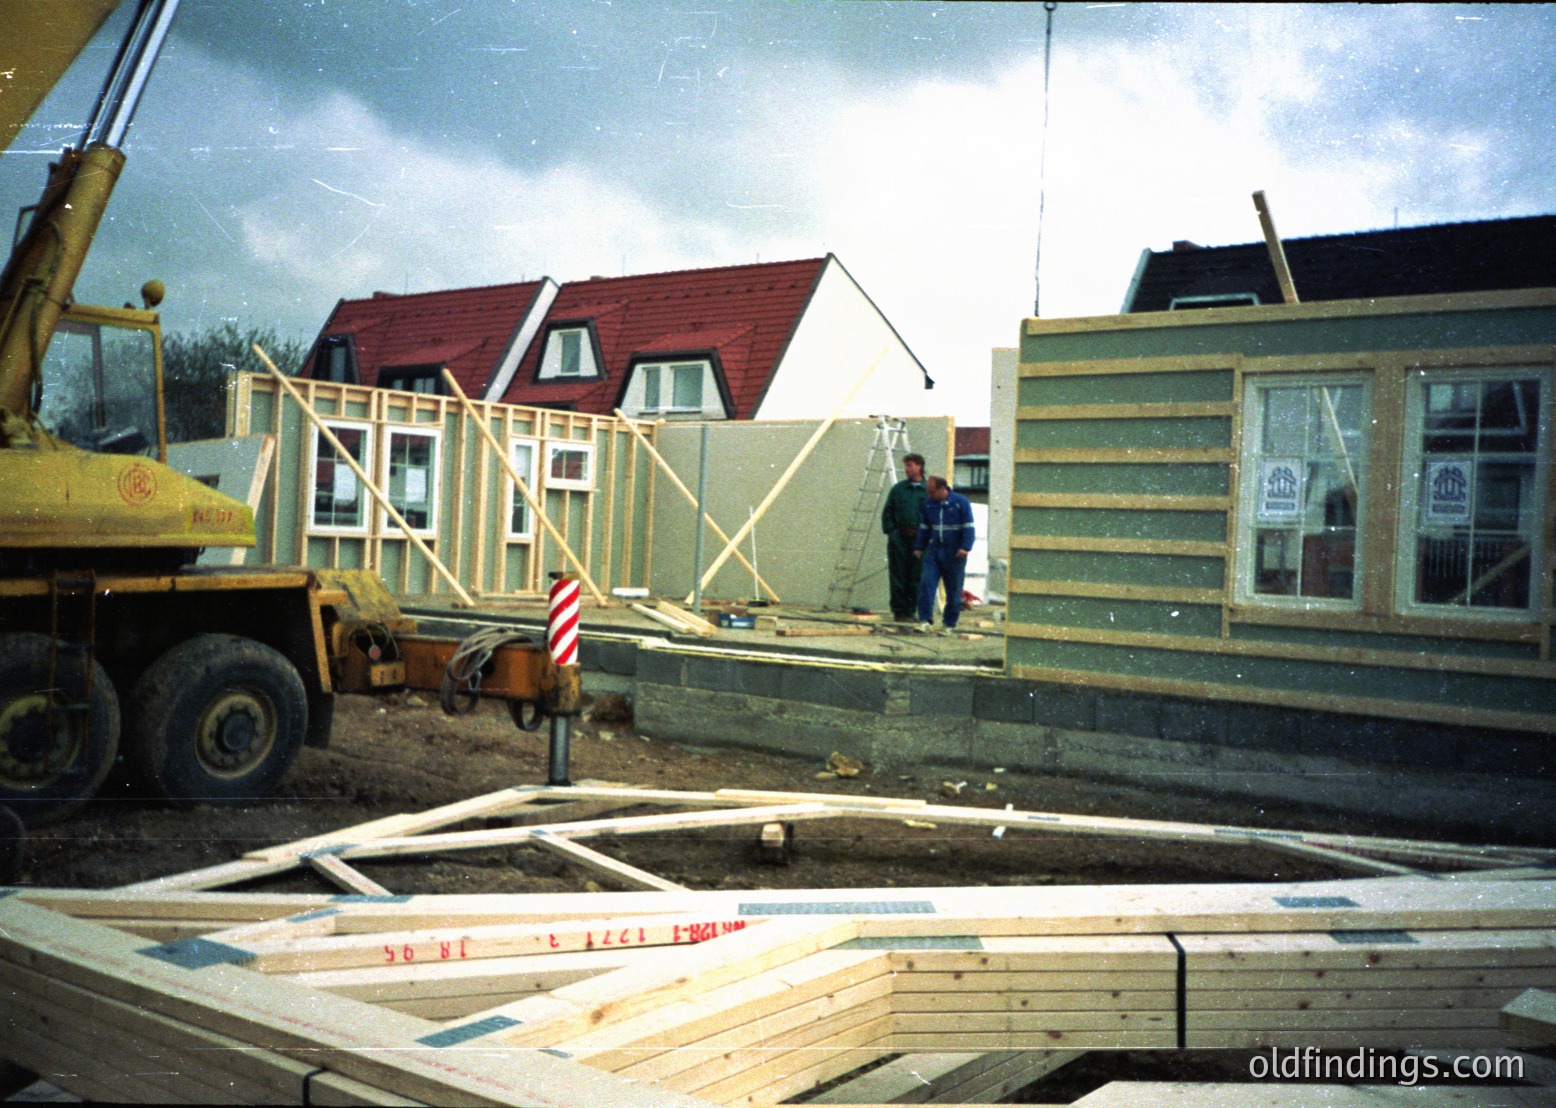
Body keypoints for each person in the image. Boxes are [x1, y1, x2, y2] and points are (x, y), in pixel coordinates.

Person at [914, 475, 976, 634]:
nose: (930, 495)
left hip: (955, 553)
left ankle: (949, 624)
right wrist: (919, 547)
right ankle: (924, 620)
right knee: (926, 584)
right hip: (934, 550)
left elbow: (969, 527)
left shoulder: (960, 502)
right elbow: (924, 527)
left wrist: (966, 547)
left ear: (943, 489)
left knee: (953, 590)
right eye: (928, 492)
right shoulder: (929, 504)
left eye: (932, 492)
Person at [880, 452, 927, 621]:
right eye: (906, 465)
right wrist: (892, 532)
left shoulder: (928, 490)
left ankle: (910, 611)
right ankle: (899, 611)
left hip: (919, 540)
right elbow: (887, 513)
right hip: (899, 538)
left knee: (916, 575)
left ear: (919, 466)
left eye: (910, 465)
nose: (907, 469)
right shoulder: (898, 489)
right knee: (898, 575)